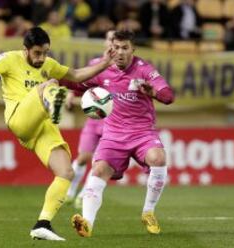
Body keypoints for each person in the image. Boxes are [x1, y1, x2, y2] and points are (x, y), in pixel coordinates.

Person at [0, 27, 114, 241]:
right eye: (37, 53)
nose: (42, 58)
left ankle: (42, 224)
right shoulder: (8, 59)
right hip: (19, 118)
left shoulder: (48, 64)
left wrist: (104, 63)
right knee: (51, 84)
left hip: (42, 127)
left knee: (66, 172)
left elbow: (76, 75)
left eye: (45, 53)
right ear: (26, 50)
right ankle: (52, 102)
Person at [70, 30, 174, 238]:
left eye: (125, 48)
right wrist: (52, 81)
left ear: (133, 50)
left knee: (159, 158)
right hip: (113, 135)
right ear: (110, 48)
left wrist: (152, 92)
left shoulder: (145, 70)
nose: (120, 52)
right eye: (116, 47)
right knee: (98, 171)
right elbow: (73, 82)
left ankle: (148, 212)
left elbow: (168, 95)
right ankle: (87, 223)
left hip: (142, 133)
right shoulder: (102, 69)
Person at [65, 30, 115, 209]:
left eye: (116, 41)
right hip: (94, 120)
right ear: (104, 42)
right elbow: (82, 83)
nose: (112, 44)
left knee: (98, 163)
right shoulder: (95, 64)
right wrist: (72, 94)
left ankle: (84, 195)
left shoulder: (123, 68)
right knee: (83, 157)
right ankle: (70, 192)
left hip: (112, 123)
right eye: (110, 39)